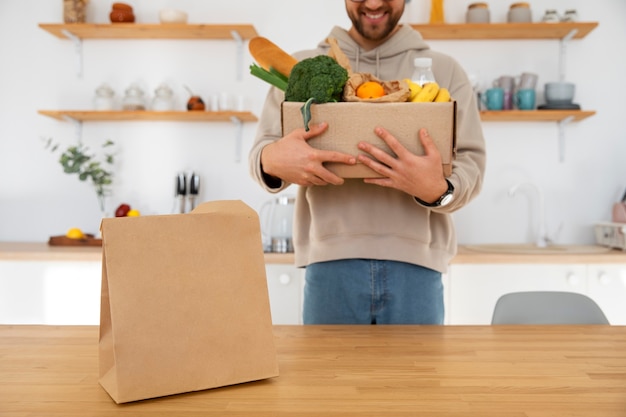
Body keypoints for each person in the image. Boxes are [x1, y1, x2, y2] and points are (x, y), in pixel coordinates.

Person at [249, 0, 486, 325]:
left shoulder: (443, 71)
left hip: (417, 267)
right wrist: (273, 160)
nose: (373, 3)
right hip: (329, 265)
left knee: (414, 378)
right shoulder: (302, 67)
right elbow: (262, 150)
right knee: (331, 377)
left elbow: (472, 161)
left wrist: (438, 190)